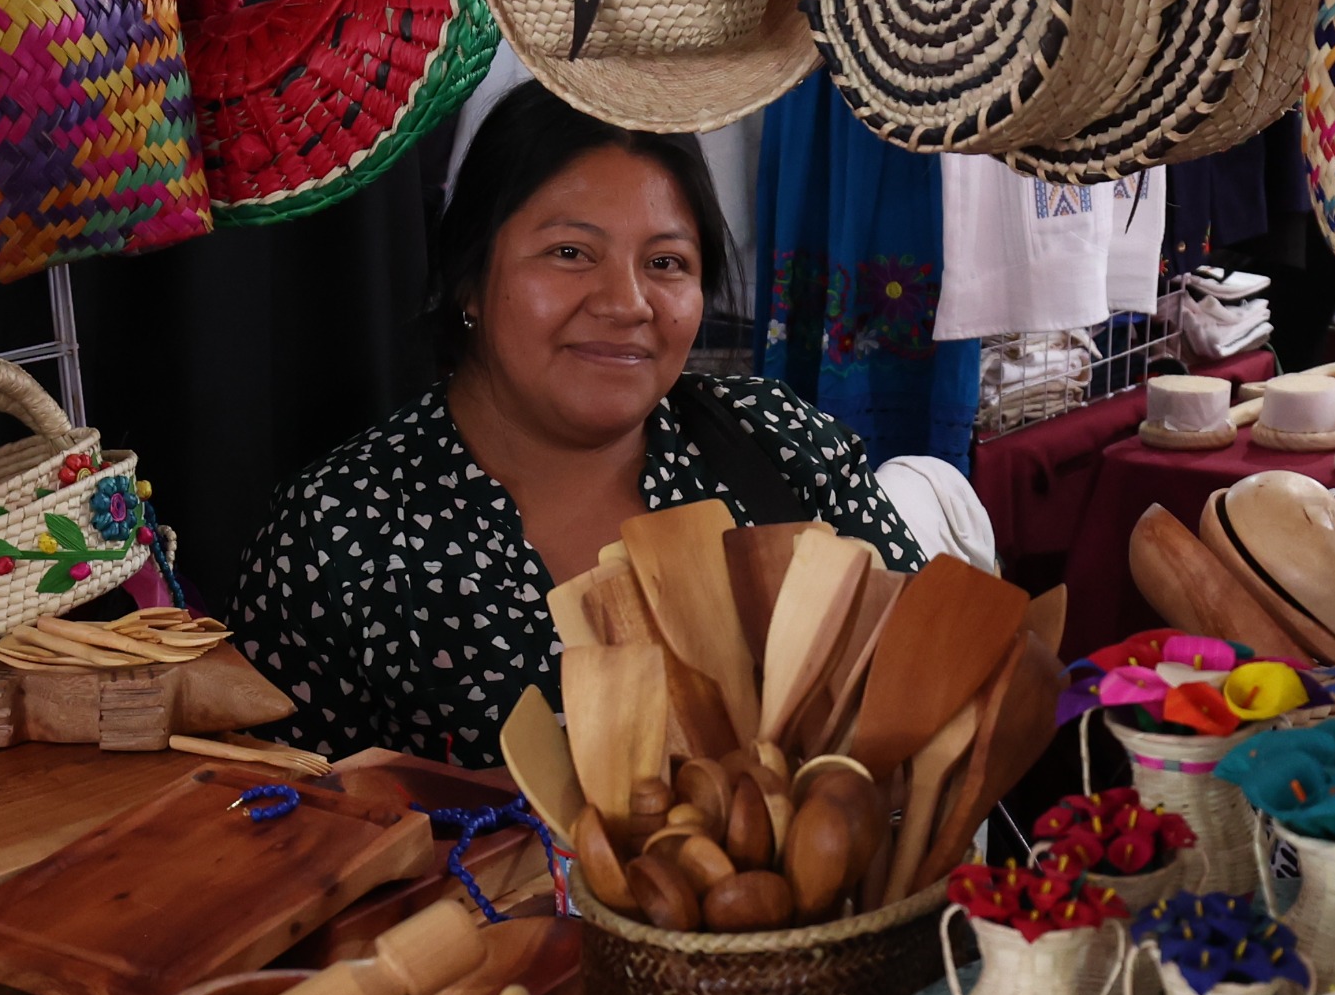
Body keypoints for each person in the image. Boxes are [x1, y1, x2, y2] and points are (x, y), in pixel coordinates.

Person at [234, 84, 923, 769]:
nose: (627, 304)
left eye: (665, 264)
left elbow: (935, 696)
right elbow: (287, 832)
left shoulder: (783, 446)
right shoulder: (336, 533)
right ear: (470, 276)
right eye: (570, 253)